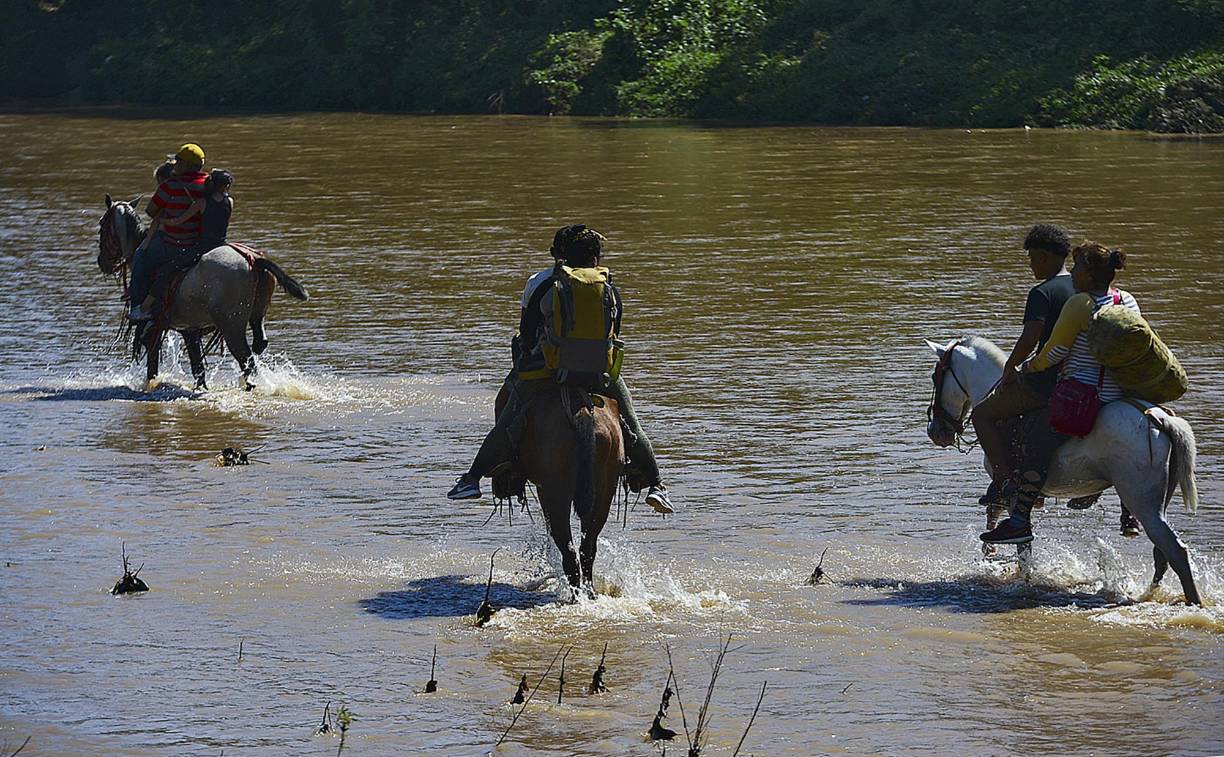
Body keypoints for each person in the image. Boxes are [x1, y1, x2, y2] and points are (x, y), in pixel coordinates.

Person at [447, 224, 675, 514]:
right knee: (631, 422)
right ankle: (656, 484)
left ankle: (476, 478)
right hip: (597, 373)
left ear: (560, 256)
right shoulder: (609, 287)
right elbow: (614, 333)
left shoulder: (541, 283)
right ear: (596, 258)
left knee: (507, 414)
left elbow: (526, 334)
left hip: (547, 371)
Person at [981, 242, 1141, 544]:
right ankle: (1128, 509)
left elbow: (1055, 352)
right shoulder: (1127, 300)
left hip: (1084, 396)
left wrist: (1027, 367)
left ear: (1090, 274)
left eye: (1078, 267)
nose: (1074, 274)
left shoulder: (1079, 304)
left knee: (1037, 446)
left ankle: (1019, 521)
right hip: (1121, 393)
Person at [970, 224, 1075, 506]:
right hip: (1079, 377)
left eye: (1031, 258)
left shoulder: (1042, 292)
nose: (1030, 265)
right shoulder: (1082, 286)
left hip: (1047, 382)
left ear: (1043, 256)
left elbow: (1031, 337)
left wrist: (1010, 367)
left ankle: (1004, 480)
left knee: (981, 414)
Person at [128, 143, 208, 321]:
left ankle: (138, 308)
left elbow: (150, 211)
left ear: (187, 165)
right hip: (202, 245)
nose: (175, 164)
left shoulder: (170, 185)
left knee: (140, 255)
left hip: (174, 244)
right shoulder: (208, 184)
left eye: (178, 160)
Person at [142, 169, 235, 314]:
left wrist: (162, 220)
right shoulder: (230, 201)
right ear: (226, 186)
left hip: (203, 247)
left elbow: (179, 221)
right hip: (222, 245)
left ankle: (145, 307)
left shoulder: (201, 203)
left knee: (167, 270)